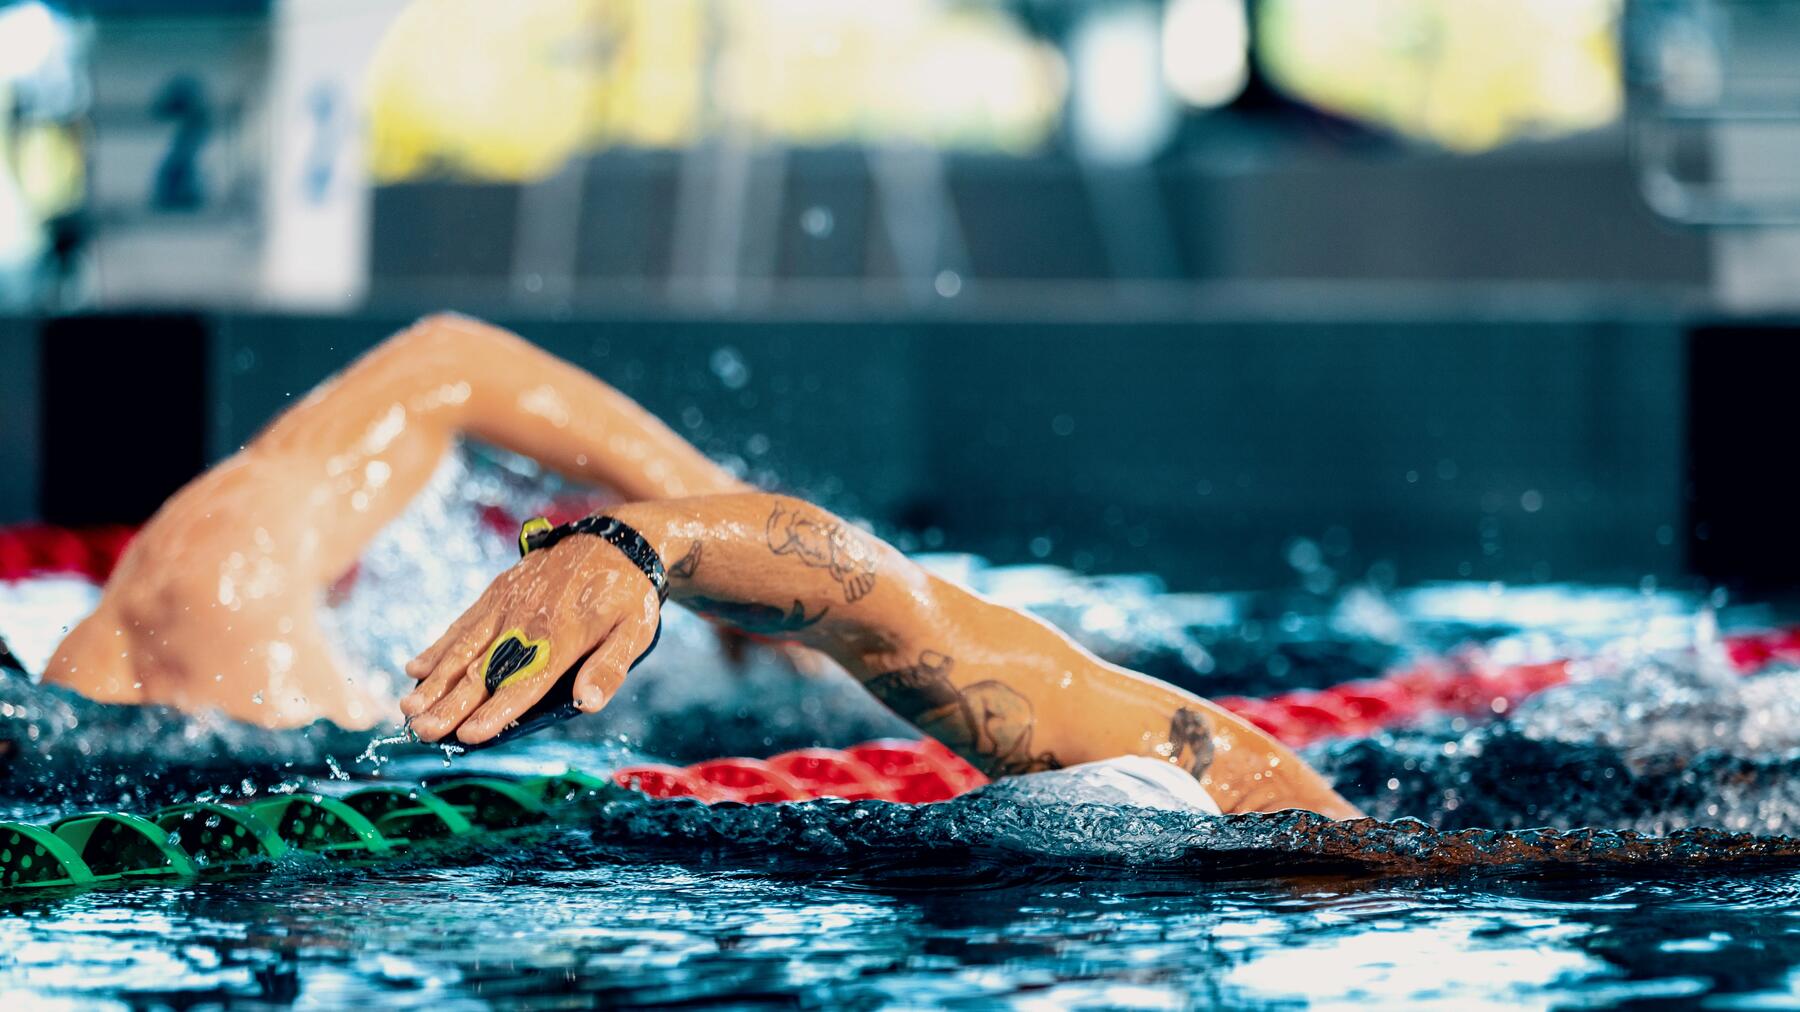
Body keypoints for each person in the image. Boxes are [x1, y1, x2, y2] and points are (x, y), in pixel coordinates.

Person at [44, 314, 1361, 819]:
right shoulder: (180, 640)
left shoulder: (197, 612)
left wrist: (668, 530)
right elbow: (910, 628)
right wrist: (661, 540)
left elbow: (445, 359)